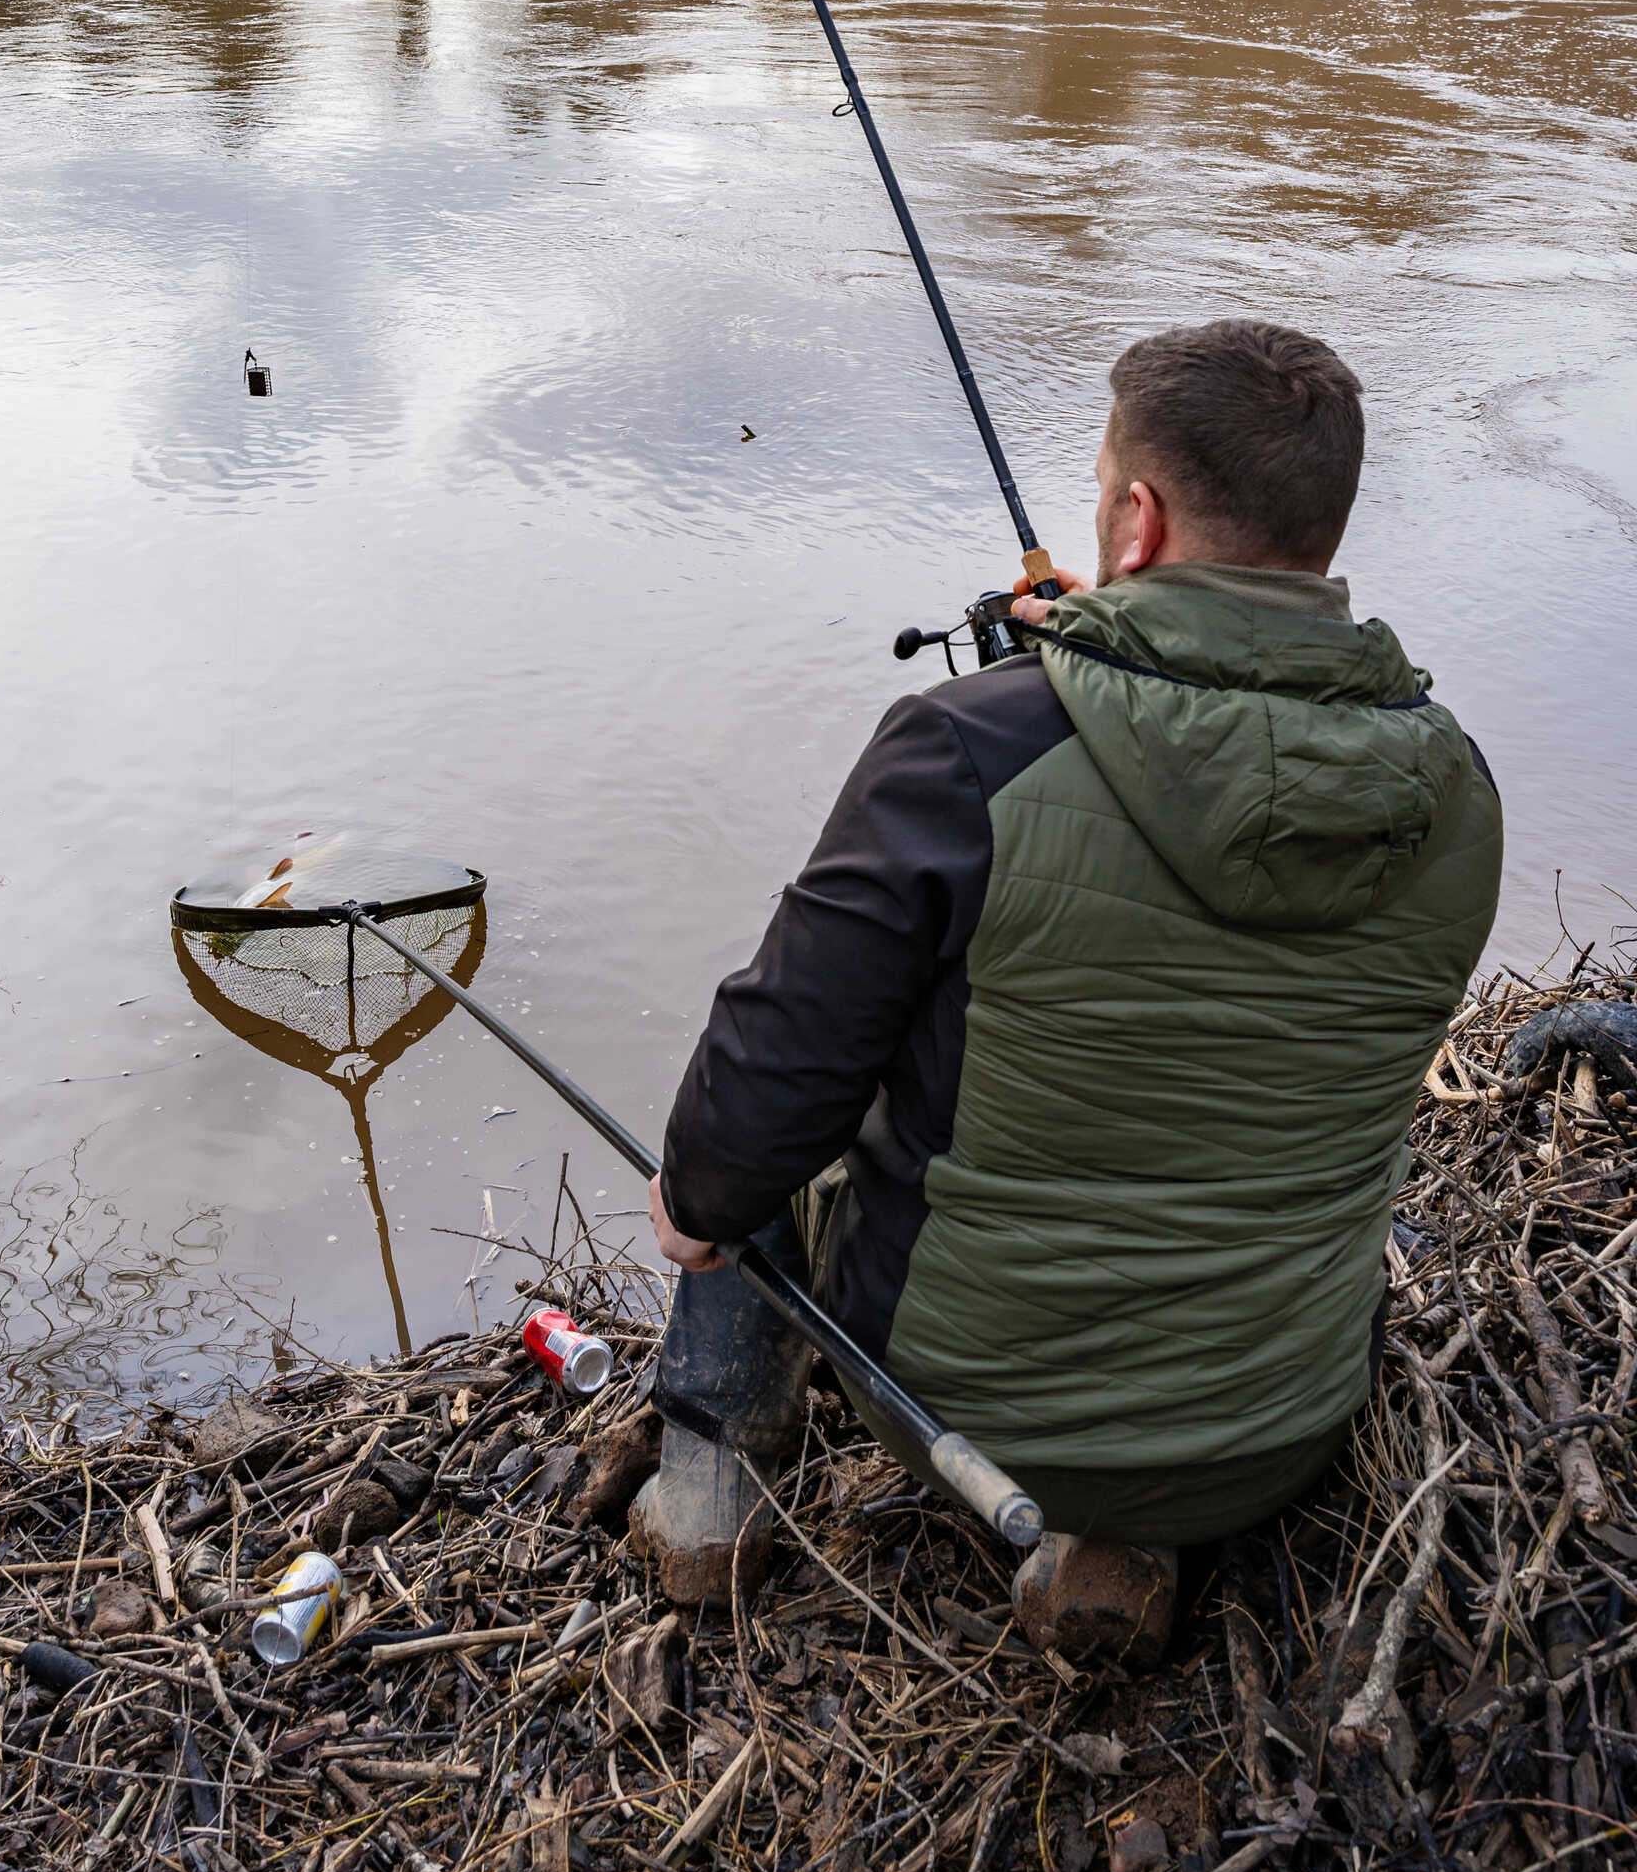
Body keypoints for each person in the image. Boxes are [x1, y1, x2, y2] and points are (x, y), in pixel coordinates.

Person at [637, 320, 1502, 1625]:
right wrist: (1103, 666)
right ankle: (1127, 1547)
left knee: (748, 1129)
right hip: (1283, 1419)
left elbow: (766, 1094)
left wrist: (700, 1204)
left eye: (1105, 490)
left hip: (975, 1416)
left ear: (1136, 520)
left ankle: (711, 1490)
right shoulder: (1457, 788)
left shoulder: (962, 753)